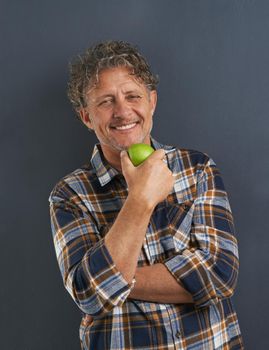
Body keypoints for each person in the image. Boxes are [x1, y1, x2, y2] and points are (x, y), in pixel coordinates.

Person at [49, 40, 244, 349]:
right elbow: (90, 295)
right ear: (87, 117)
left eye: (132, 96)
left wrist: (119, 279)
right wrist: (140, 199)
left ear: (151, 102)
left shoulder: (197, 168)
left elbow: (219, 275)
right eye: (106, 101)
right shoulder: (69, 196)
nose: (123, 111)